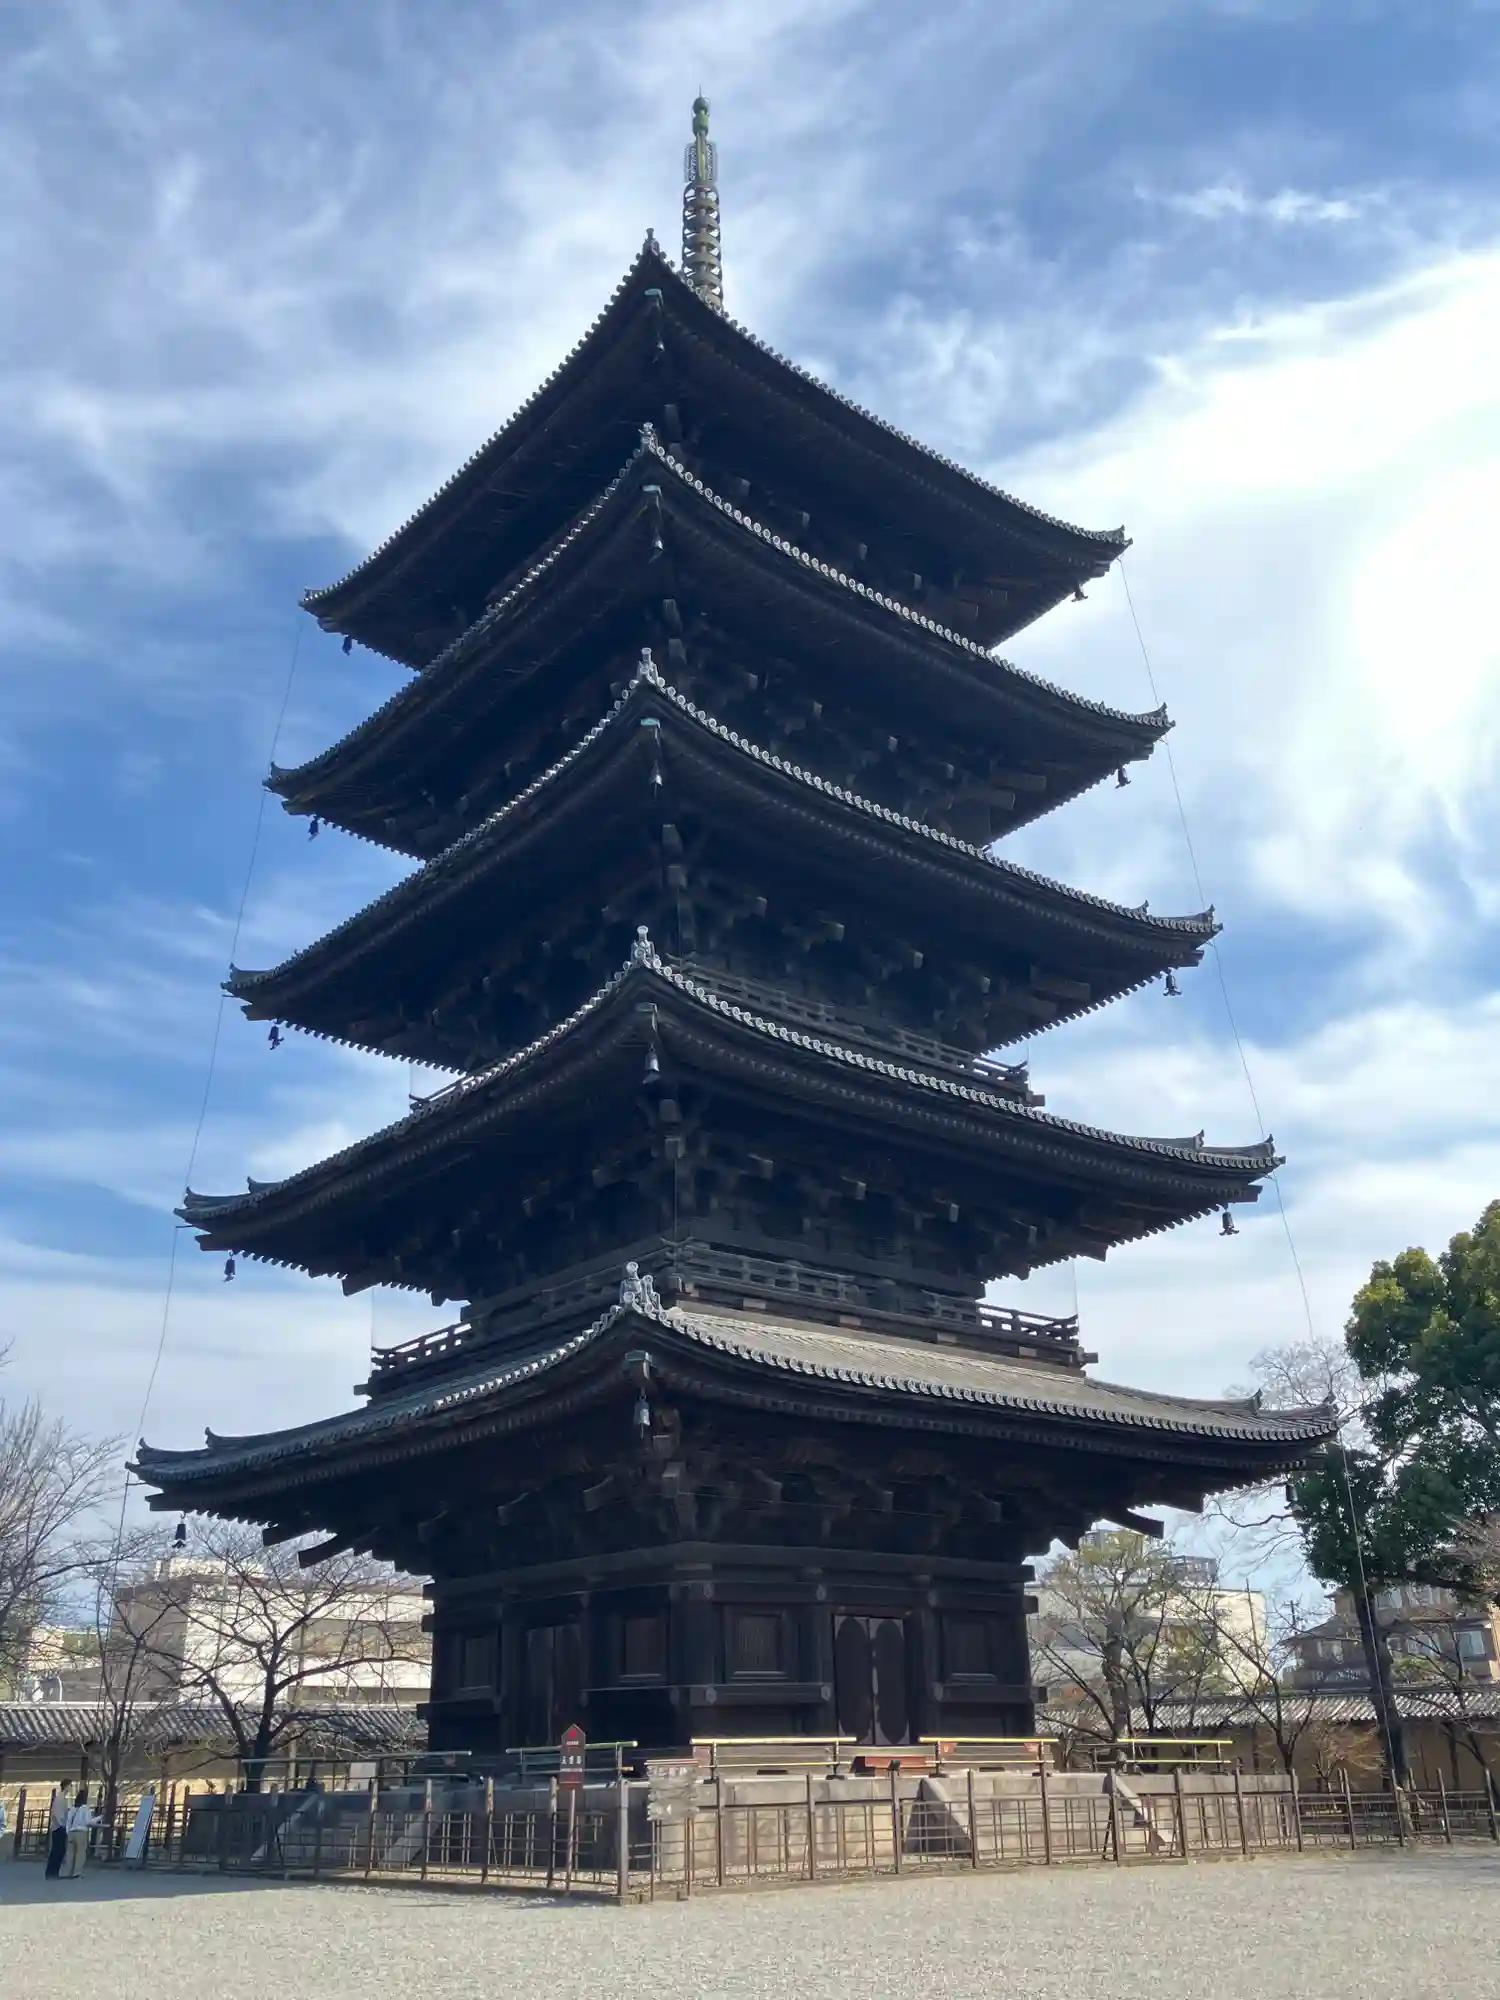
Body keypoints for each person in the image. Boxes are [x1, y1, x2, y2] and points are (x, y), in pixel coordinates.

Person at [61, 1789, 95, 1879]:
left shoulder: (72, 1809)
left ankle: (69, 1872)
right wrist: (98, 1819)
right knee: (80, 1853)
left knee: (70, 1853)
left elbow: (68, 1821)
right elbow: (88, 1821)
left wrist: (68, 1832)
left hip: (71, 1833)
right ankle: (77, 1872)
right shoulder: (85, 1808)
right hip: (81, 1832)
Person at [44, 1784, 70, 1879]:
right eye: (70, 1785)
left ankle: (53, 1871)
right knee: (58, 1850)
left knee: (59, 1850)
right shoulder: (59, 1799)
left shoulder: (62, 1798)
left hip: (60, 1826)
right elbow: (56, 1814)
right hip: (58, 1827)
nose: (71, 1788)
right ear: (66, 1786)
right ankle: (52, 1871)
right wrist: (61, 1824)